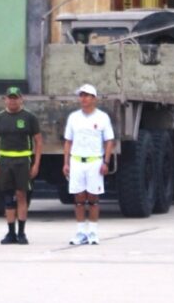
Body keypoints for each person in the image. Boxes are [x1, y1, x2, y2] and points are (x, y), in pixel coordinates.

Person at [62, 83, 114, 246]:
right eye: (81, 95)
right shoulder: (73, 117)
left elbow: (109, 141)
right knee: (78, 198)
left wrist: (106, 162)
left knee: (93, 198)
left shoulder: (102, 117)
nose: (83, 99)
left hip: (94, 162)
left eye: (86, 96)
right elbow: (68, 141)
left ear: (94, 98)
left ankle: (92, 232)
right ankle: (80, 232)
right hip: (77, 161)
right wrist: (66, 163)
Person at [0, 86, 42, 245]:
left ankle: (22, 233)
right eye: (10, 98)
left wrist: (36, 164)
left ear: (21, 99)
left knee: (21, 195)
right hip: (5, 161)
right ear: (5, 100)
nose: (13, 101)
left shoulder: (29, 117)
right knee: (7, 197)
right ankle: (10, 232)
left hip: (23, 161)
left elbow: (38, 141)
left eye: (15, 98)